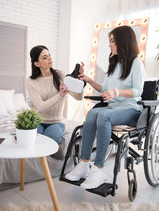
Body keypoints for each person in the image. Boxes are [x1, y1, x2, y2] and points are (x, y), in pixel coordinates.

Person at [65, 25, 146, 189]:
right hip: (114, 108)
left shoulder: (136, 63)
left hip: (131, 110)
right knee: (92, 113)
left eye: (112, 41)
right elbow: (103, 89)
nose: (109, 45)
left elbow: (138, 91)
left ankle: (100, 168)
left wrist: (116, 92)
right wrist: (88, 79)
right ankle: (84, 163)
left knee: (103, 115)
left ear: (123, 42)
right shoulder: (115, 65)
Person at [26, 45, 84, 146]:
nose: (50, 58)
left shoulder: (60, 75)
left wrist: (79, 81)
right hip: (38, 121)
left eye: (49, 55)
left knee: (48, 141)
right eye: (45, 57)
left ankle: (59, 146)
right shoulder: (31, 81)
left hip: (56, 122)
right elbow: (40, 106)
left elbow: (78, 97)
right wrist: (59, 95)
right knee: (31, 140)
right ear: (36, 63)